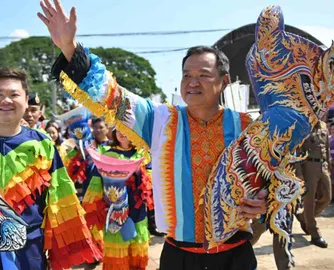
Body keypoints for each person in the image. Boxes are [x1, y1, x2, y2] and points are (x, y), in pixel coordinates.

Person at [37, 1, 266, 269]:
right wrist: (69, 47)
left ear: (224, 82)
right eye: (187, 75)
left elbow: (276, 179)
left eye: (203, 75)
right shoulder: (160, 120)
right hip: (178, 255)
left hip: (234, 254)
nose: (193, 82)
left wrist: (265, 203)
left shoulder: (249, 127)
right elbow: (111, 95)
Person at [0, 68, 101, 269]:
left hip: (30, 249)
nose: (6, 100)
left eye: (14, 94)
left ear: (26, 100)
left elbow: (62, 198)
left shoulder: (43, 145)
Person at [82, 129, 153, 269]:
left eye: (127, 129)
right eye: (118, 129)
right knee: (117, 256)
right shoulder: (107, 156)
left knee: (137, 251)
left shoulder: (143, 155)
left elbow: (152, 182)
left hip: (138, 210)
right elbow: (96, 183)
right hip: (115, 212)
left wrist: (142, 172)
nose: (122, 132)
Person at [296, 121, 331, 248]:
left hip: (323, 165)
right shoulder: (302, 126)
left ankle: (303, 217)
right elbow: (297, 151)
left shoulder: (323, 125)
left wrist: (328, 165)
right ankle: (314, 232)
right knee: (309, 200)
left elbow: (327, 147)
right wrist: (299, 173)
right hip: (308, 166)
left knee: (327, 197)